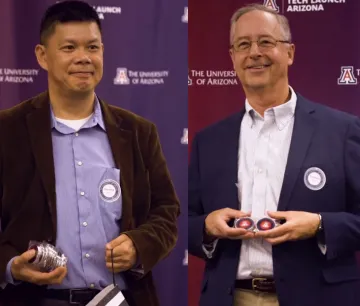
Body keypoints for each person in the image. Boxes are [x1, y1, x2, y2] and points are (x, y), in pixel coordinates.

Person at [0, 1, 180, 305]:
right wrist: (10, 265)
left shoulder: (138, 132)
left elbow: (166, 211)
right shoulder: (8, 130)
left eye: (92, 47)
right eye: (69, 48)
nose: (83, 58)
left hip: (121, 298)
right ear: (42, 56)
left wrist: (138, 245)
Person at [188, 4, 360, 306]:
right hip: (229, 298)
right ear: (232, 59)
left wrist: (319, 225)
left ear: (290, 52)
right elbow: (183, 223)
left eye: (266, 41)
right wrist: (206, 227)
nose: (254, 52)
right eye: (243, 45)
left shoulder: (343, 130)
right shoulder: (209, 140)